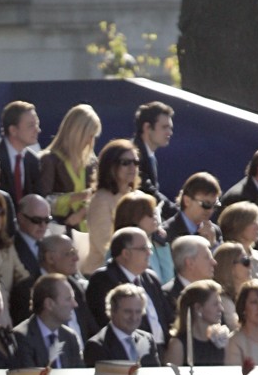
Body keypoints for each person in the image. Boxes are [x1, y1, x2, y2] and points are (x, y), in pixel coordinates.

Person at [86, 227, 172, 347]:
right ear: (126, 253)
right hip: (129, 349)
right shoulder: (103, 279)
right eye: (144, 248)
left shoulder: (150, 278)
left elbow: (167, 317)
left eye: (149, 248)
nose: (149, 253)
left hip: (161, 349)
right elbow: (106, 321)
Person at [37, 103, 100, 234]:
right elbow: (43, 201)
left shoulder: (92, 163)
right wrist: (76, 197)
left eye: (93, 136)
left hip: (88, 233)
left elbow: (99, 196)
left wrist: (83, 212)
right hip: (58, 233)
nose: (91, 142)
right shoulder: (49, 160)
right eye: (88, 135)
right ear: (76, 133)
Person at [83, 138, 139, 274]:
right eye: (125, 163)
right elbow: (106, 246)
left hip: (134, 270)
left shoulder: (137, 196)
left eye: (136, 162)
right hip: (103, 274)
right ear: (110, 166)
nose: (132, 167)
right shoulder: (100, 200)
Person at [12, 272, 85, 368]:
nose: (75, 304)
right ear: (49, 304)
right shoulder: (22, 337)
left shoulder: (70, 337)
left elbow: (79, 374)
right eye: (68, 299)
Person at [84, 283, 160, 367]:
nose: (134, 317)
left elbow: (154, 372)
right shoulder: (97, 346)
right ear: (113, 311)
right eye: (127, 312)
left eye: (138, 312)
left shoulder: (147, 339)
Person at [112, 191, 173, 286]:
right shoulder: (120, 248)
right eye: (150, 214)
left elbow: (167, 281)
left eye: (155, 213)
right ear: (134, 218)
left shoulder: (153, 243)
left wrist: (162, 246)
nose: (155, 217)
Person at [164, 280, 230, 367]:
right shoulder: (178, 345)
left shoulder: (219, 341)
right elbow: (170, 374)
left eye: (220, 304)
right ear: (198, 308)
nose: (221, 309)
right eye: (215, 304)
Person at [132, 100, 176, 218]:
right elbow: (149, 192)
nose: (170, 132)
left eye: (170, 128)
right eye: (164, 127)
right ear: (147, 127)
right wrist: (180, 215)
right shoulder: (133, 155)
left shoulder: (149, 155)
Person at [0, 100, 42, 205]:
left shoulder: (33, 160)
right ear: (13, 130)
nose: (38, 130)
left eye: (37, 124)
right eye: (31, 126)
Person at [162, 172, 223, 249]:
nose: (211, 210)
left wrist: (213, 245)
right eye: (206, 204)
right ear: (187, 200)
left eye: (215, 205)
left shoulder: (214, 231)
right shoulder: (166, 233)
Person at [163, 234, 216, 310]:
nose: (214, 262)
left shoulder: (213, 292)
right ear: (190, 263)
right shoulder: (167, 297)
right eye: (207, 257)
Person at [14, 194, 54, 281]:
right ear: (21, 218)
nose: (43, 225)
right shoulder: (11, 247)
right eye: (36, 220)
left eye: (47, 220)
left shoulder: (51, 243)